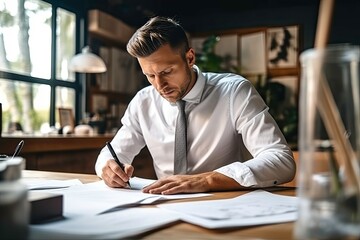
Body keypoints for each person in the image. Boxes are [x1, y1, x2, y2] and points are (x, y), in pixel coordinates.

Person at [95, 16, 296, 195]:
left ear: (190, 58)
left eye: (166, 72)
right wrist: (108, 168)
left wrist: (206, 180)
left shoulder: (234, 92)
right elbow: (111, 154)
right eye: (150, 75)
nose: (159, 85)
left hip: (226, 203)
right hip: (164, 206)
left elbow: (280, 160)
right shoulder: (143, 102)